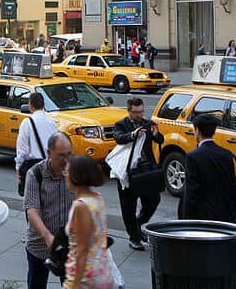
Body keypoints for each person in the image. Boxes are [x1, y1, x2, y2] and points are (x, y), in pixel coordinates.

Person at [24, 132, 75, 289]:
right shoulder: (35, 174)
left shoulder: (75, 171)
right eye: (61, 156)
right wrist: (47, 237)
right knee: (37, 284)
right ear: (49, 153)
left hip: (69, 246)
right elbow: (32, 210)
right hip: (39, 245)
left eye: (69, 155)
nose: (66, 161)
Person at [114, 97, 164, 251]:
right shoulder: (121, 124)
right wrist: (132, 135)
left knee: (153, 200)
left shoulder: (147, 123)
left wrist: (156, 134)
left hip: (146, 168)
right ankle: (134, 237)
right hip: (128, 170)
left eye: (141, 111)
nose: (139, 115)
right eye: (136, 112)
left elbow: (160, 140)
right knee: (128, 206)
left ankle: (137, 224)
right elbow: (119, 138)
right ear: (129, 111)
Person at [179, 114, 236, 223]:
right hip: (225, 215)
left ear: (197, 131)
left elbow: (192, 191)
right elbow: (232, 186)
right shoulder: (226, 154)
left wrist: (185, 218)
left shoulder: (193, 156)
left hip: (203, 217)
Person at [63, 156, 113, 289]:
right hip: (101, 271)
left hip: (84, 278)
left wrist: (76, 284)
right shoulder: (97, 198)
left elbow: (81, 250)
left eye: (67, 172)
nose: (65, 176)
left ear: (77, 176)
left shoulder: (81, 206)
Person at [15, 92, 58, 194]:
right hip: (49, 167)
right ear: (43, 105)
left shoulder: (27, 123)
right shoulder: (51, 122)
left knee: (32, 202)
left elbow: (22, 150)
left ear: (30, 105)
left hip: (33, 169)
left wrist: (18, 168)